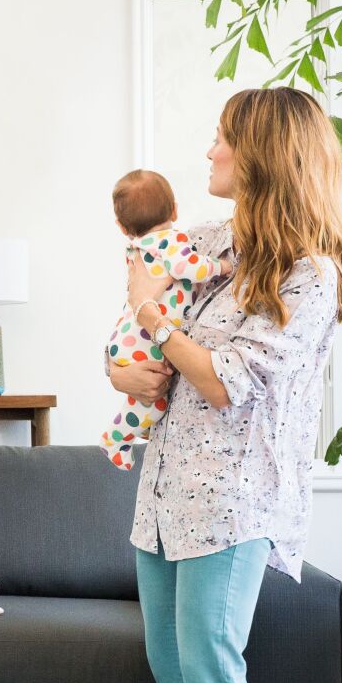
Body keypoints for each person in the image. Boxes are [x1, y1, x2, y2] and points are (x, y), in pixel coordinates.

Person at [110, 87, 342, 683]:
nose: (210, 151)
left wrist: (152, 317)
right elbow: (140, 339)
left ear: (262, 156)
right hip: (164, 500)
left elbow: (224, 382)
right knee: (176, 675)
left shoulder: (309, 277)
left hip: (230, 505)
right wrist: (124, 372)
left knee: (214, 678)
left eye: (223, 138)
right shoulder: (213, 246)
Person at [101, 169, 233, 471]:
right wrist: (221, 266)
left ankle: (122, 438)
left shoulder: (139, 249)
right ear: (174, 209)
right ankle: (115, 439)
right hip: (144, 345)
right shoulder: (172, 242)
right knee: (154, 402)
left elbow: (137, 298)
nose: (210, 156)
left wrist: (117, 370)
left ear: (123, 228)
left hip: (129, 340)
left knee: (154, 404)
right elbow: (192, 268)